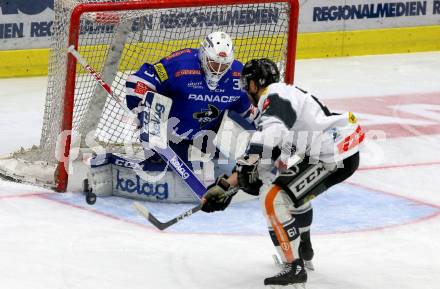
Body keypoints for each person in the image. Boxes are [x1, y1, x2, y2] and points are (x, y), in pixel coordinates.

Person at [201, 58, 364, 287]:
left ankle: (294, 267)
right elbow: (271, 158)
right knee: (273, 189)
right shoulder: (279, 99)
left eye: (246, 84)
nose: (245, 90)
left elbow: (270, 137)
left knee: (272, 198)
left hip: (334, 153)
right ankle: (304, 251)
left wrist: (246, 167)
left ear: (256, 84)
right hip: (329, 151)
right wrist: (227, 186)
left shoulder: (274, 96)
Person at [124, 31, 253, 186]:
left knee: (234, 163)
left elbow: (245, 113)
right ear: (203, 55)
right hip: (172, 132)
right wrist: (142, 108)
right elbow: (138, 80)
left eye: (223, 65)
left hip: (210, 133)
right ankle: (157, 160)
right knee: (172, 176)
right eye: (213, 63)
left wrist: (253, 142)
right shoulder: (180, 64)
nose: (217, 70)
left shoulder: (239, 76)